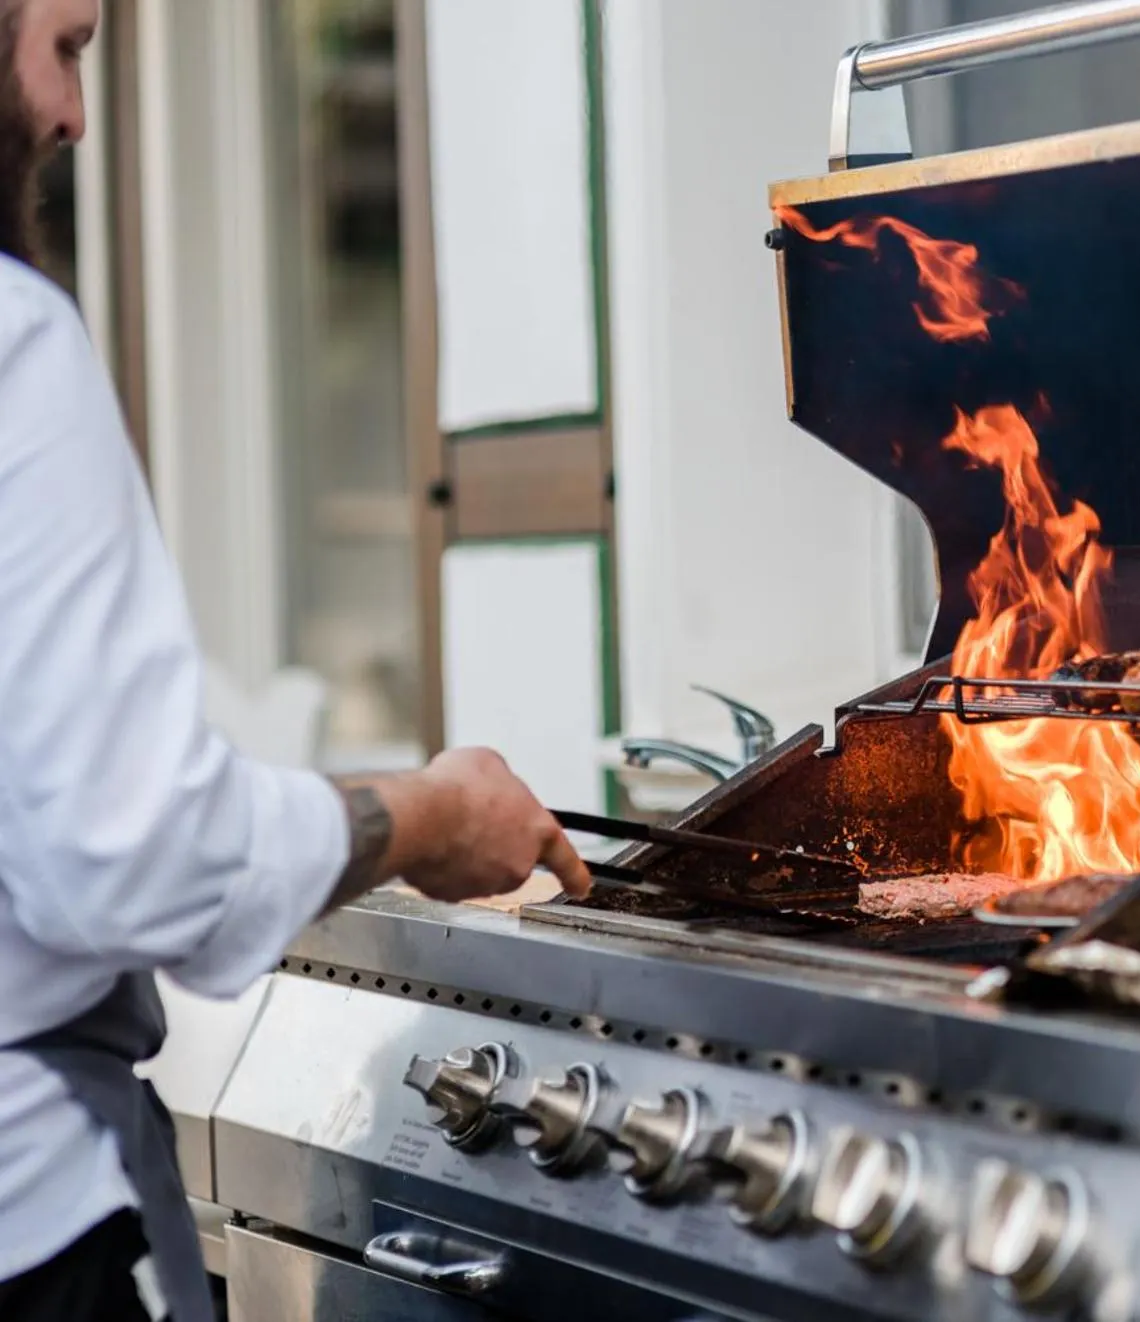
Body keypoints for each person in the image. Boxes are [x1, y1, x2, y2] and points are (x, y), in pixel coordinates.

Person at [0, 2, 594, 1318]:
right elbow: (132, 853)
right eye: (67, 48)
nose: (73, 117)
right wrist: (432, 812)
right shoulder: (14, 345)